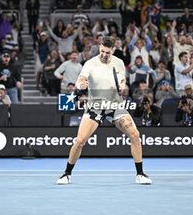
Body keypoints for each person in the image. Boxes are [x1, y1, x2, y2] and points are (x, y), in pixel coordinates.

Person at [56, 36, 152, 185]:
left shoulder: (118, 63)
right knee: (80, 140)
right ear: (99, 47)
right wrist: (81, 85)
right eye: (102, 51)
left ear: (112, 50)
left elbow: (121, 81)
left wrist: (122, 86)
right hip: (95, 106)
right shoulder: (90, 63)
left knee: (135, 134)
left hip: (114, 105)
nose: (104, 55)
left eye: (107, 52)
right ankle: (66, 174)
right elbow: (79, 80)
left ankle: (140, 174)